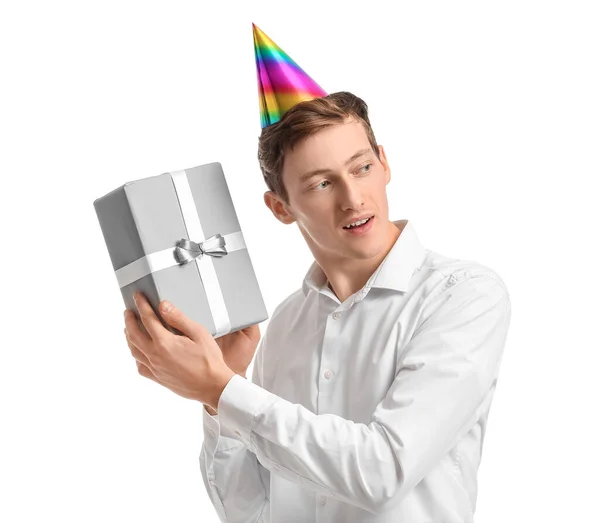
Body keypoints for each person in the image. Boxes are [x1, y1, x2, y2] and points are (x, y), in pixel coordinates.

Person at [123, 25, 511, 523]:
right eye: (322, 182)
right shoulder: (285, 324)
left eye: (361, 168)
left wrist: (222, 389)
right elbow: (247, 512)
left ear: (385, 162)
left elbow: (383, 470)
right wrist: (221, 395)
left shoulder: (464, 296)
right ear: (280, 207)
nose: (353, 198)